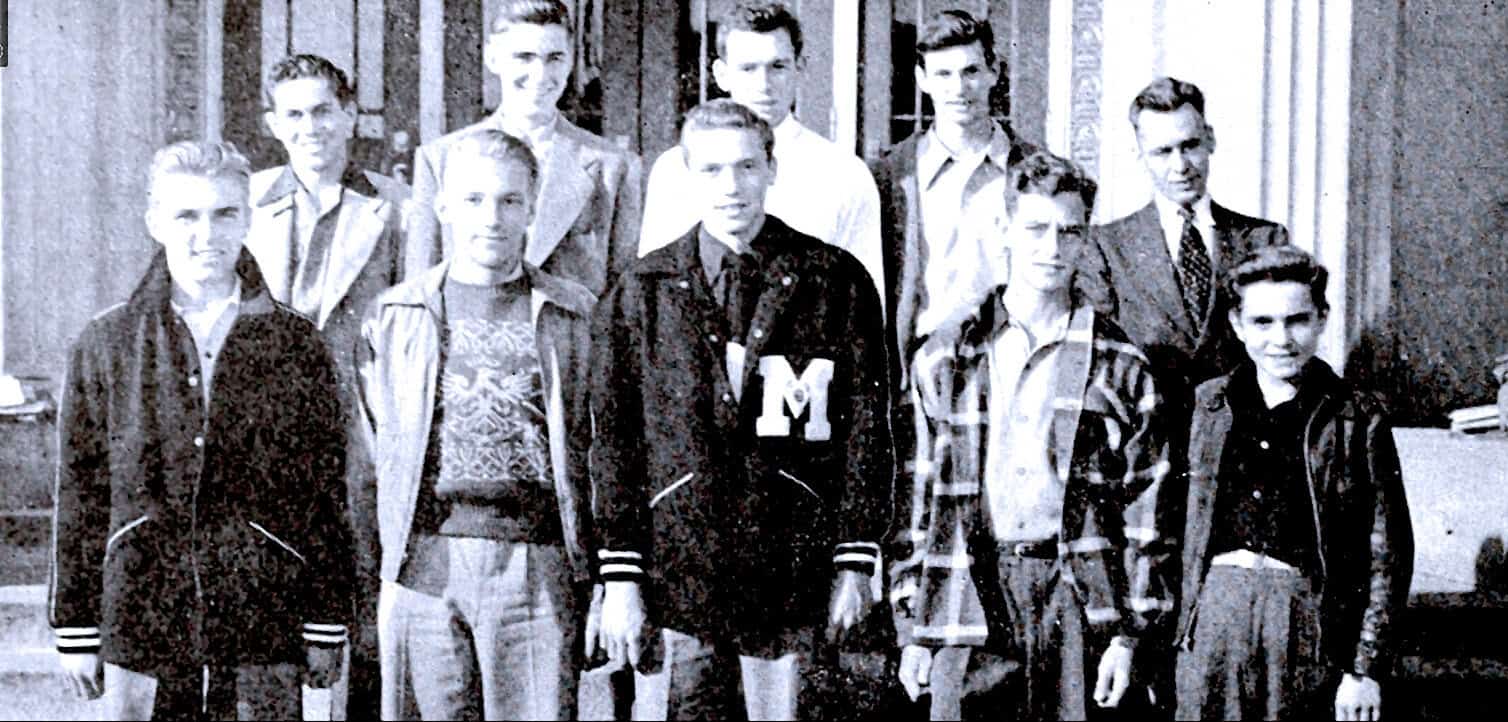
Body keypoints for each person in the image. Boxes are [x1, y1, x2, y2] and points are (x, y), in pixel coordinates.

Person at [590, 99, 892, 720]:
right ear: (687, 177)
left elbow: (868, 429)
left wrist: (855, 557)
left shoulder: (834, 281)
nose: (730, 187)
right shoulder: (641, 291)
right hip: (679, 577)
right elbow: (612, 441)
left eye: (746, 167)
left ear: (772, 170)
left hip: (791, 576)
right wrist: (621, 574)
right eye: (711, 171)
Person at [50, 140, 352, 719]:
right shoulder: (108, 342)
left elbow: (324, 492)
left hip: (262, 605)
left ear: (247, 218)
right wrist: (77, 625)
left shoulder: (295, 342)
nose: (205, 235)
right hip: (141, 609)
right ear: (155, 223)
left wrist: (324, 619)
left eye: (223, 214)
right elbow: (79, 490)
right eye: (186, 215)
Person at [891, 151, 1174, 721]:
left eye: (1068, 233)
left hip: (1075, 594)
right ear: (1006, 230)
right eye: (1036, 229)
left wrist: (1128, 637)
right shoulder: (947, 355)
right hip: (968, 590)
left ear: (1084, 239)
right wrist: (912, 624)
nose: (1051, 249)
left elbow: (1148, 511)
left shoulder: (1120, 364)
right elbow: (915, 497)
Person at [355, 129, 596, 720]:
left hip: (536, 567)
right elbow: (364, 460)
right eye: (473, 200)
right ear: (441, 207)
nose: (491, 217)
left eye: (510, 201)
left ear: (533, 208)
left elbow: (600, 454)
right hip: (424, 563)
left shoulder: (573, 313)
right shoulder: (396, 315)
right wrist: (379, 579)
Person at [1175, 246, 1414, 720]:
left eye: (1297, 320)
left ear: (1322, 318)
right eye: (1263, 322)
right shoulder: (1207, 407)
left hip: (1307, 622)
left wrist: (1363, 669)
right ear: (1238, 325)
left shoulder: (1356, 416)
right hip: (1213, 616)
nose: (1281, 339)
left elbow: (1387, 553)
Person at [244, 53, 409, 720]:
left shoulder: (395, 209)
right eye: (294, 114)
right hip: (266, 430)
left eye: (323, 111)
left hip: (358, 426)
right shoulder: (247, 200)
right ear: (273, 123)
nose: (310, 126)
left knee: (362, 582)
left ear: (349, 115)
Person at [637, 0, 885, 304]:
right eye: (748, 68)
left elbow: (866, 305)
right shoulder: (676, 169)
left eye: (777, 67)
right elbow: (653, 293)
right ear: (721, 74)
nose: (764, 84)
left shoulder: (844, 174)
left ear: (800, 67)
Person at [405, 0, 641, 299]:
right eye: (523, 57)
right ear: (493, 58)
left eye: (554, 58)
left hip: (570, 342)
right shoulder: (440, 158)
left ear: (570, 62)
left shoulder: (614, 167)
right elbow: (420, 292)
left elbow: (622, 299)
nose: (540, 74)